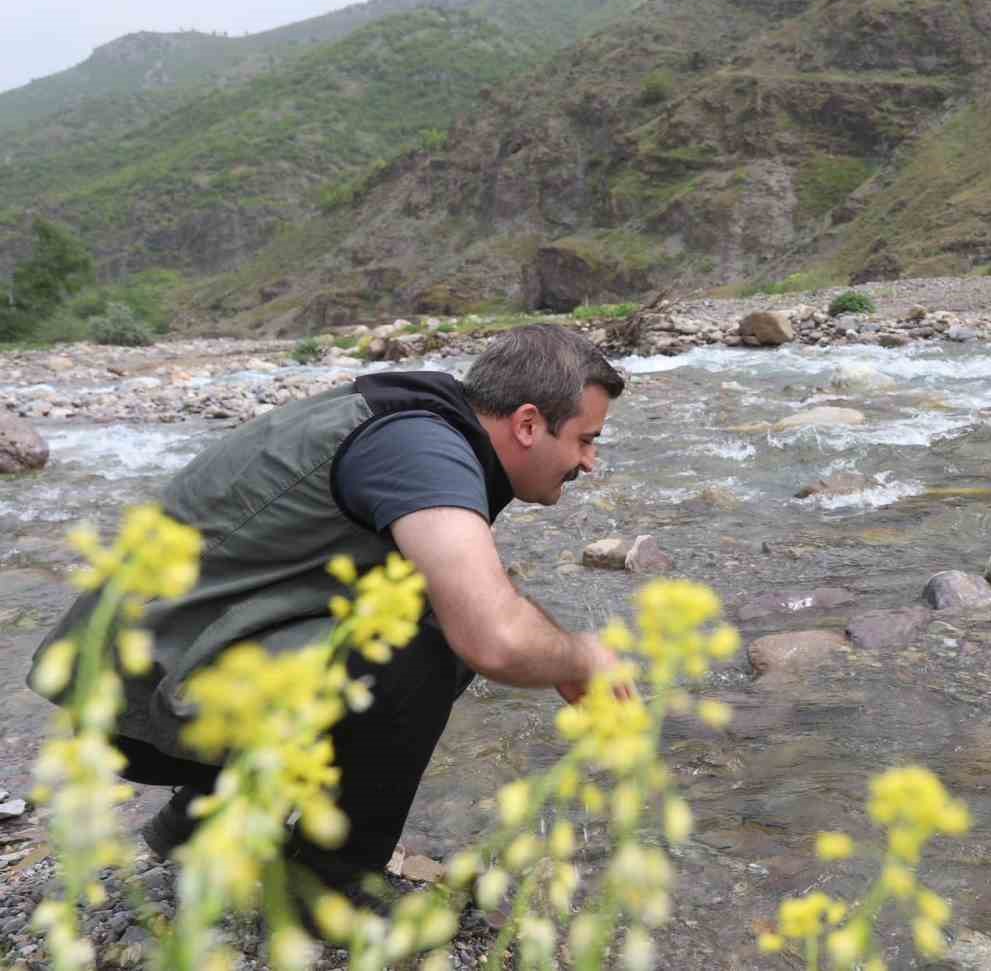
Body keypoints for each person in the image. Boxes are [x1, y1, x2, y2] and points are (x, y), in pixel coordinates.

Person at [29, 324, 626, 889]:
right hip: (136, 702)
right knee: (431, 638)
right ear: (527, 423)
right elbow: (491, 635)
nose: (589, 463)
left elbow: (482, 595)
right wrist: (580, 659)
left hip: (142, 673)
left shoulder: (419, 423)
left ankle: (199, 825)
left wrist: (561, 653)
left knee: (428, 604)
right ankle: (329, 885)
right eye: (585, 439)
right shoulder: (422, 450)